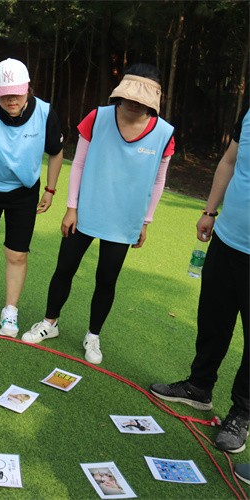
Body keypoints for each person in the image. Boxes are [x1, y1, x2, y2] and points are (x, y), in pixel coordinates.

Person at [21, 63, 175, 365]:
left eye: (141, 99)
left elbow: (159, 180)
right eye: (129, 96)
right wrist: (72, 207)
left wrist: (146, 221)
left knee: (106, 279)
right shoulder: (98, 117)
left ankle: (93, 335)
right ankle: (49, 322)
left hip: (125, 219)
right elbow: (78, 163)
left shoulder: (165, 133)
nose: (133, 103)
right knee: (64, 268)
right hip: (85, 212)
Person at [151, 108, 248, 453]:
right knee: (213, 319)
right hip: (227, 238)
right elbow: (229, 161)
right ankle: (199, 387)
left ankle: (242, 413)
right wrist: (209, 211)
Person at [0, 58, 64, 336]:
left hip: (24, 192)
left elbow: (56, 152)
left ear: (27, 88)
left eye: (16, 93)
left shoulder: (45, 112)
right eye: (5, 94)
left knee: (17, 254)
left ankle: (10, 310)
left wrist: (50, 189)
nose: (11, 99)